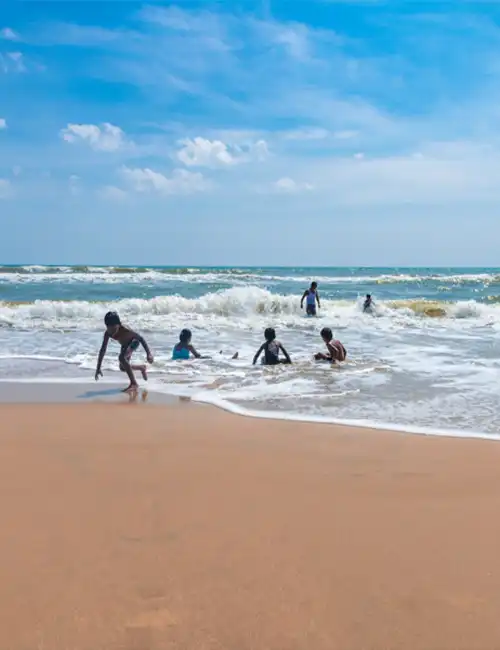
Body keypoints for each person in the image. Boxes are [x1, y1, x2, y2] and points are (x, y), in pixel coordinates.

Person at [95, 311, 154, 392]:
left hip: (134, 342)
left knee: (122, 358)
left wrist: (149, 354)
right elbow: (103, 350)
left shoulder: (126, 330)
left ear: (119, 324)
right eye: (109, 328)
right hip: (125, 345)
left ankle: (134, 384)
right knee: (122, 368)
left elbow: (141, 338)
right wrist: (98, 368)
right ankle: (141, 367)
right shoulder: (108, 333)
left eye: (114, 328)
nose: (112, 331)